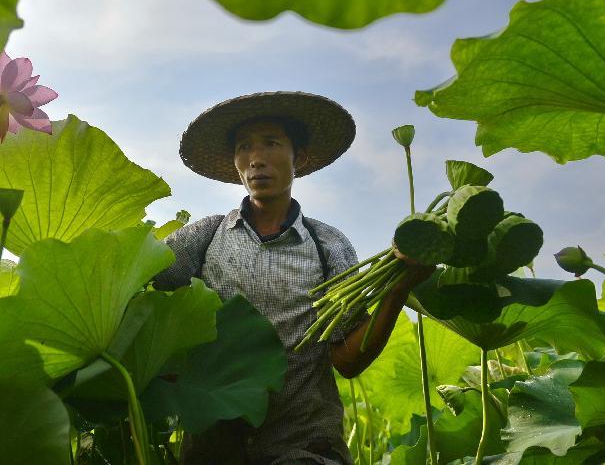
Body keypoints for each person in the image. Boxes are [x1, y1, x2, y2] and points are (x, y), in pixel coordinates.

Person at [154, 91, 434, 465]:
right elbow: (144, 293)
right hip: (214, 445)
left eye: (271, 143)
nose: (255, 159)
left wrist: (399, 288)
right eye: (244, 147)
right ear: (235, 162)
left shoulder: (328, 246)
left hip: (305, 444)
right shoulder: (203, 238)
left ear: (298, 158)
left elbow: (347, 362)